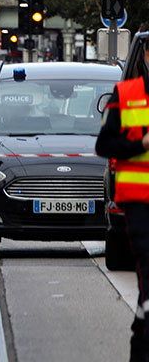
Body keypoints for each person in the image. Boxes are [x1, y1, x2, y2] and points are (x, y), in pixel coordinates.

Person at [96, 48, 149, 362]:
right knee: (147, 261)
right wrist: (139, 144)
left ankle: (140, 335)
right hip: (139, 202)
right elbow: (105, 144)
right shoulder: (126, 94)